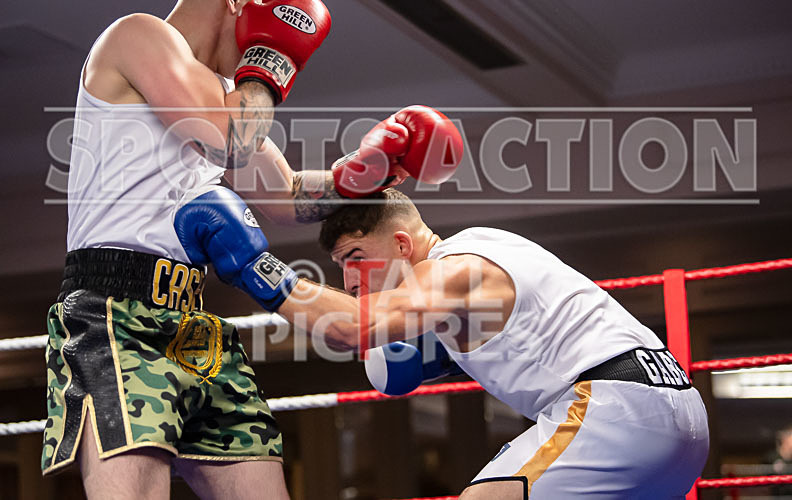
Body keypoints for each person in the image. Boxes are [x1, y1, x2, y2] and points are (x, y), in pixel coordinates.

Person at [43, 0, 461, 495]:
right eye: (269, 9)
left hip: (190, 315)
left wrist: (361, 176)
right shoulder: (140, 36)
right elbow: (229, 142)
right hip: (112, 313)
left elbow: (284, 197)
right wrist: (272, 58)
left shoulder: (219, 94)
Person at [174, 187, 711, 499]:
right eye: (341, 269)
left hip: (613, 411)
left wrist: (252, 269)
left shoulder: (450, 270)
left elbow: (356, 327)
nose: (352, 280)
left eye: (357, 259)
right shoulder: (487, 251)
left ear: (403, 243)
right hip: (678, 416)